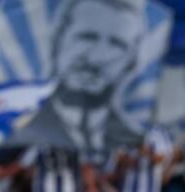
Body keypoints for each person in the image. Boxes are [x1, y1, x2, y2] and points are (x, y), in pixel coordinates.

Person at [10, 0, 144, 158]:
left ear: (131, 61)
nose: (96, 58)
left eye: (117, 44)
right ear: (58, 40)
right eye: (87, 37)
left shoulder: (131, 136)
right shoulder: (21, 128)